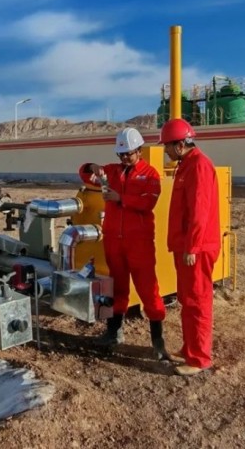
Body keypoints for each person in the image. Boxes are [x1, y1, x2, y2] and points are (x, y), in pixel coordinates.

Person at [78, 128, 168, 359]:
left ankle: (158, 342)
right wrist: (92, 167)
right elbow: (85, 175)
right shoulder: (112, 171)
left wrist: (121, 199)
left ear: (139, 150)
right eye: (121, 154)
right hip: (114, 241)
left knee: (149, 289)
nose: (125, 158)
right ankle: (114, 332)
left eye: (128, 153)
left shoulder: (150, 174)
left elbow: (148, 203)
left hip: (139, 242)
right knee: (117, 288)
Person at [159, 118, 221, 376]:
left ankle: (199, 359)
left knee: (197, 301)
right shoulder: (187, 165)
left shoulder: (199, 166)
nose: (164, 151)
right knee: (187, 299)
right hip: (186, 246)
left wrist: (192, 248)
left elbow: (200, 212)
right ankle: (190, 348)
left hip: (196, 248)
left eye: (167, 146)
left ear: (180, 144)